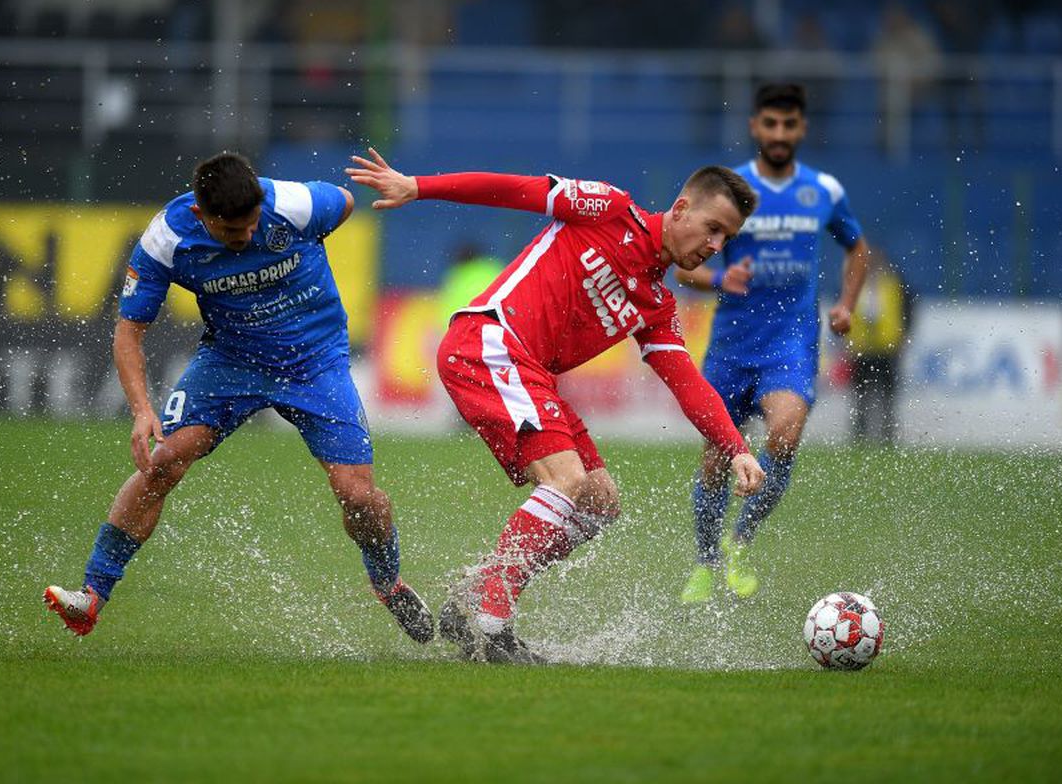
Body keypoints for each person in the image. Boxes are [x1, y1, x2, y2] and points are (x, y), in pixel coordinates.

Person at [347, 148, 766, 663]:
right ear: (680, 208)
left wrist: (736, 447)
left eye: (727, 238)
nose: (715, 246)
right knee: (565, 481)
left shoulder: (655, 305)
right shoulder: (610, 208)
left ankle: (476, 589)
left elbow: (687, 384)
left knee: (598, 502)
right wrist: (417, 186)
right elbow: (513, 189)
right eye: (712, 227)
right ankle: (492, 624)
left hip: (531, 373)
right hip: (489, 342)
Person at [43, 151, 433, 644]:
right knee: (164, 461)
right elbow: (128, 335)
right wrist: (142, 412)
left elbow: (347, 201)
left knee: (358, 495)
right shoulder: (166, 241)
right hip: (232, 362)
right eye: (233, 232)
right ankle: (91, 596)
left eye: (253, 226)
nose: (247, 237)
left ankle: (388, 583)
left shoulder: (293, 205)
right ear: (202, 216)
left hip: (315, 362)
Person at [676, 83, 869, 603]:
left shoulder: (822, 190)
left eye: (789, 125)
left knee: (784, 434)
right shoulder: (730, 193)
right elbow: (679, 262)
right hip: (732, 344)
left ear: (802, 129)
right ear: (755, 127)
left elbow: (858, 250)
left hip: (791, 339)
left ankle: (739, 542)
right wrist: (719, 280)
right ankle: (705, 561)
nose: (779, 133)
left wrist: (847, 304)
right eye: (770, 124)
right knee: (716, 459)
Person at [847, 248, 909, 444]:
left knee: (887, 393)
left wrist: (902, 335)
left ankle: (887, 433)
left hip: (886, 345)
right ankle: (860, 432)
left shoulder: (892, 284)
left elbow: (906, 309)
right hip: (862, 346)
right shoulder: (856, 284)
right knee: (861, 394)